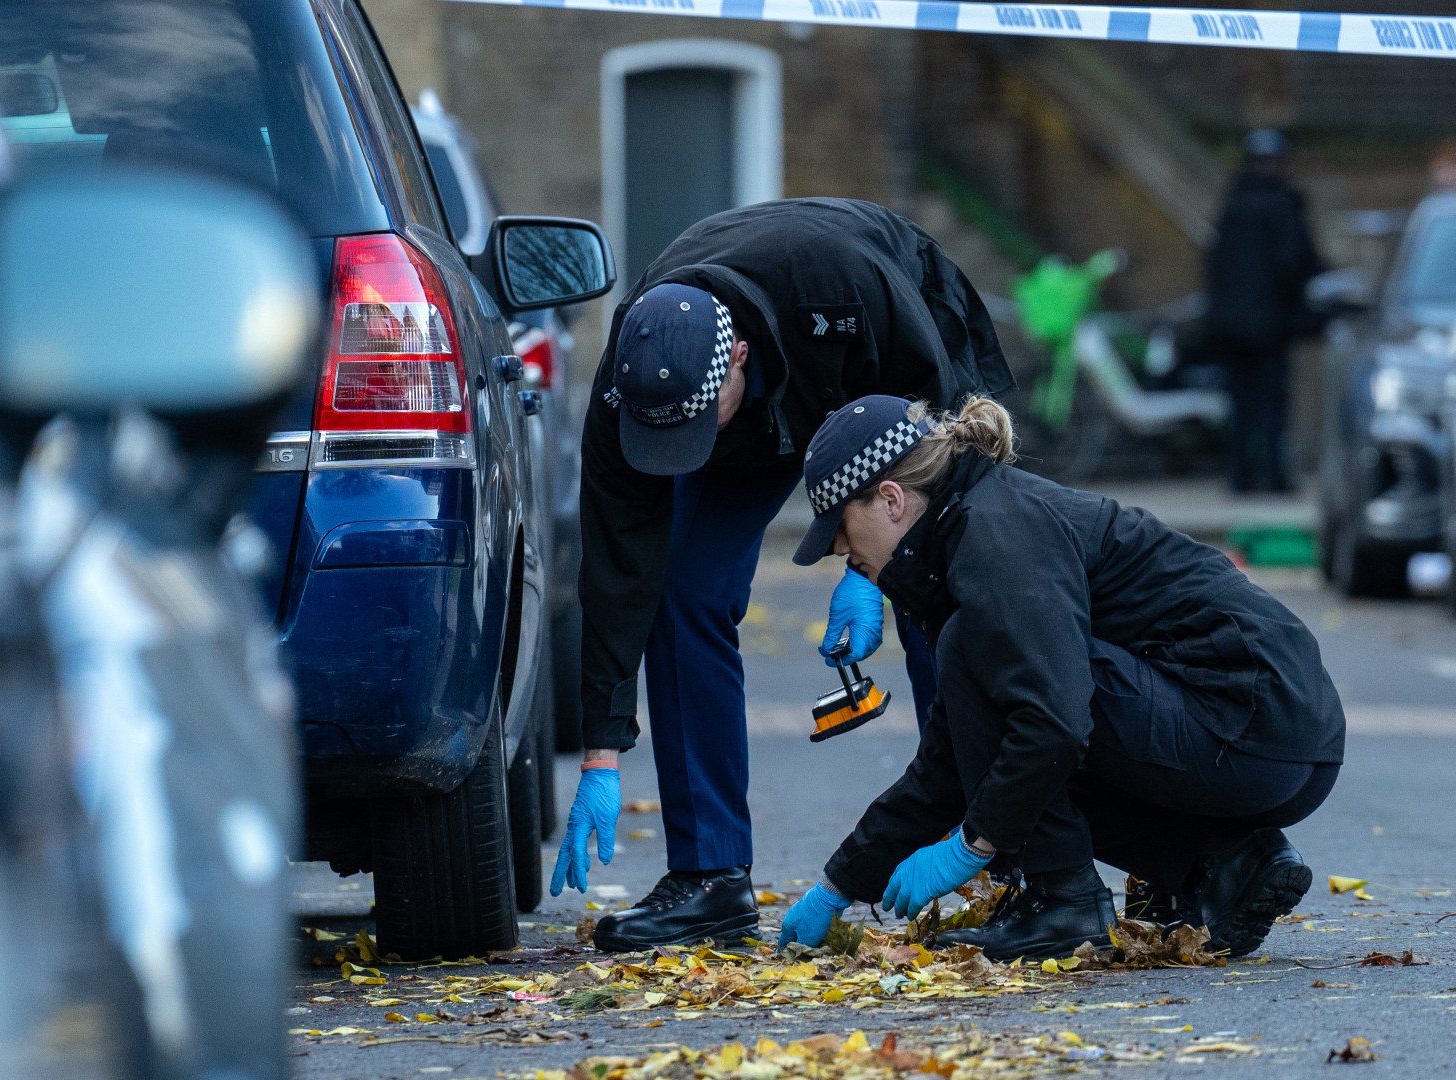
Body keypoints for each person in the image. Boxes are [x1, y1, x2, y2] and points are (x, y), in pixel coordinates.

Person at [551, 198, 1017, 951]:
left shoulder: (842, 283)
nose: (687, 452)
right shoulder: (636, 378)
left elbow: (926, 421)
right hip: (760, 413)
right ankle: (710, 879)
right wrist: (601, 750)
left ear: (734, 355)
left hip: (890, 370)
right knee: (683, 591)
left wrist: (871, 569)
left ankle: (997, 853)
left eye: (703, 425)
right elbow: (617, 570)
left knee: (941, 586)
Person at [776, 394, 1345, 961]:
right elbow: (952, 761)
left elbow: (1055, 723)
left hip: (1252, 729)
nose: (843, 552)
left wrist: (973, 846)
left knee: (1023, 711)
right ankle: (1224, 865)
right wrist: (840, 884)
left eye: (843, 532)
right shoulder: (980, 523)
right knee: (1015, 737)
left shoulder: (997, 537)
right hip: (1278, 738)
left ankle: (1064, 903)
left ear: (892, 499)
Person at [1203, 129, 1323, 494]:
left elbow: (1214, 264)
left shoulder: (1232, 204)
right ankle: (1271, 476)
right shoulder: (1283, 205)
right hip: (1270, 326)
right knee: (1270, 406)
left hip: (1232, 326)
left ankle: (1240, 476)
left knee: (1241, 404)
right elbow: (1296, 262)